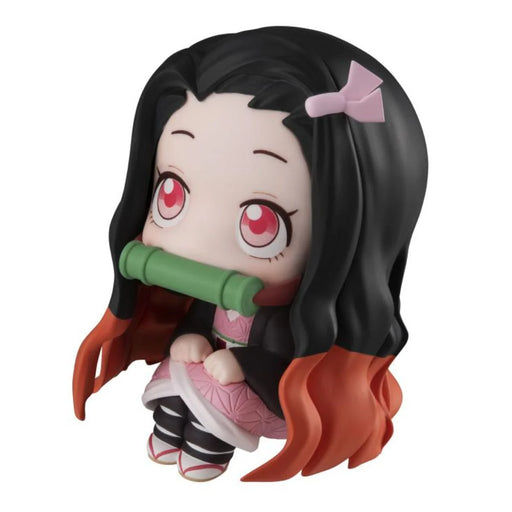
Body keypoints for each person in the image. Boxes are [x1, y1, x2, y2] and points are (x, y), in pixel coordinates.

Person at [73, 26, 428, 482]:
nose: (200, 240)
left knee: (216, 408)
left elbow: (281, 357)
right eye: (171, 193)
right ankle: (169, 429)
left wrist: (242, 364)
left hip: (256, 386)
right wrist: (191, 333)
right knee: (175, 385)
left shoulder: (296, 321)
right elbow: (200, 318)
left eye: (261, 221)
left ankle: (207, 447)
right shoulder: (208, 291)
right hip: (205, 365)